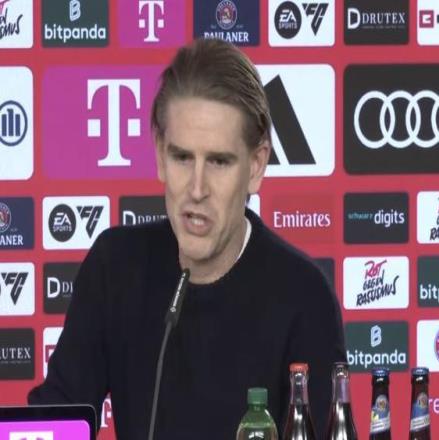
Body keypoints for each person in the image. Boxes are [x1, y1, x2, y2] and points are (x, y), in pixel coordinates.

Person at [28, 38, 346, 439]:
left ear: (256, 166)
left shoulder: (304, 295)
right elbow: (55, 422)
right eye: (182, 157)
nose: (197, 189)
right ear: (160, 155)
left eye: (218, 162)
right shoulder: (116, 266)